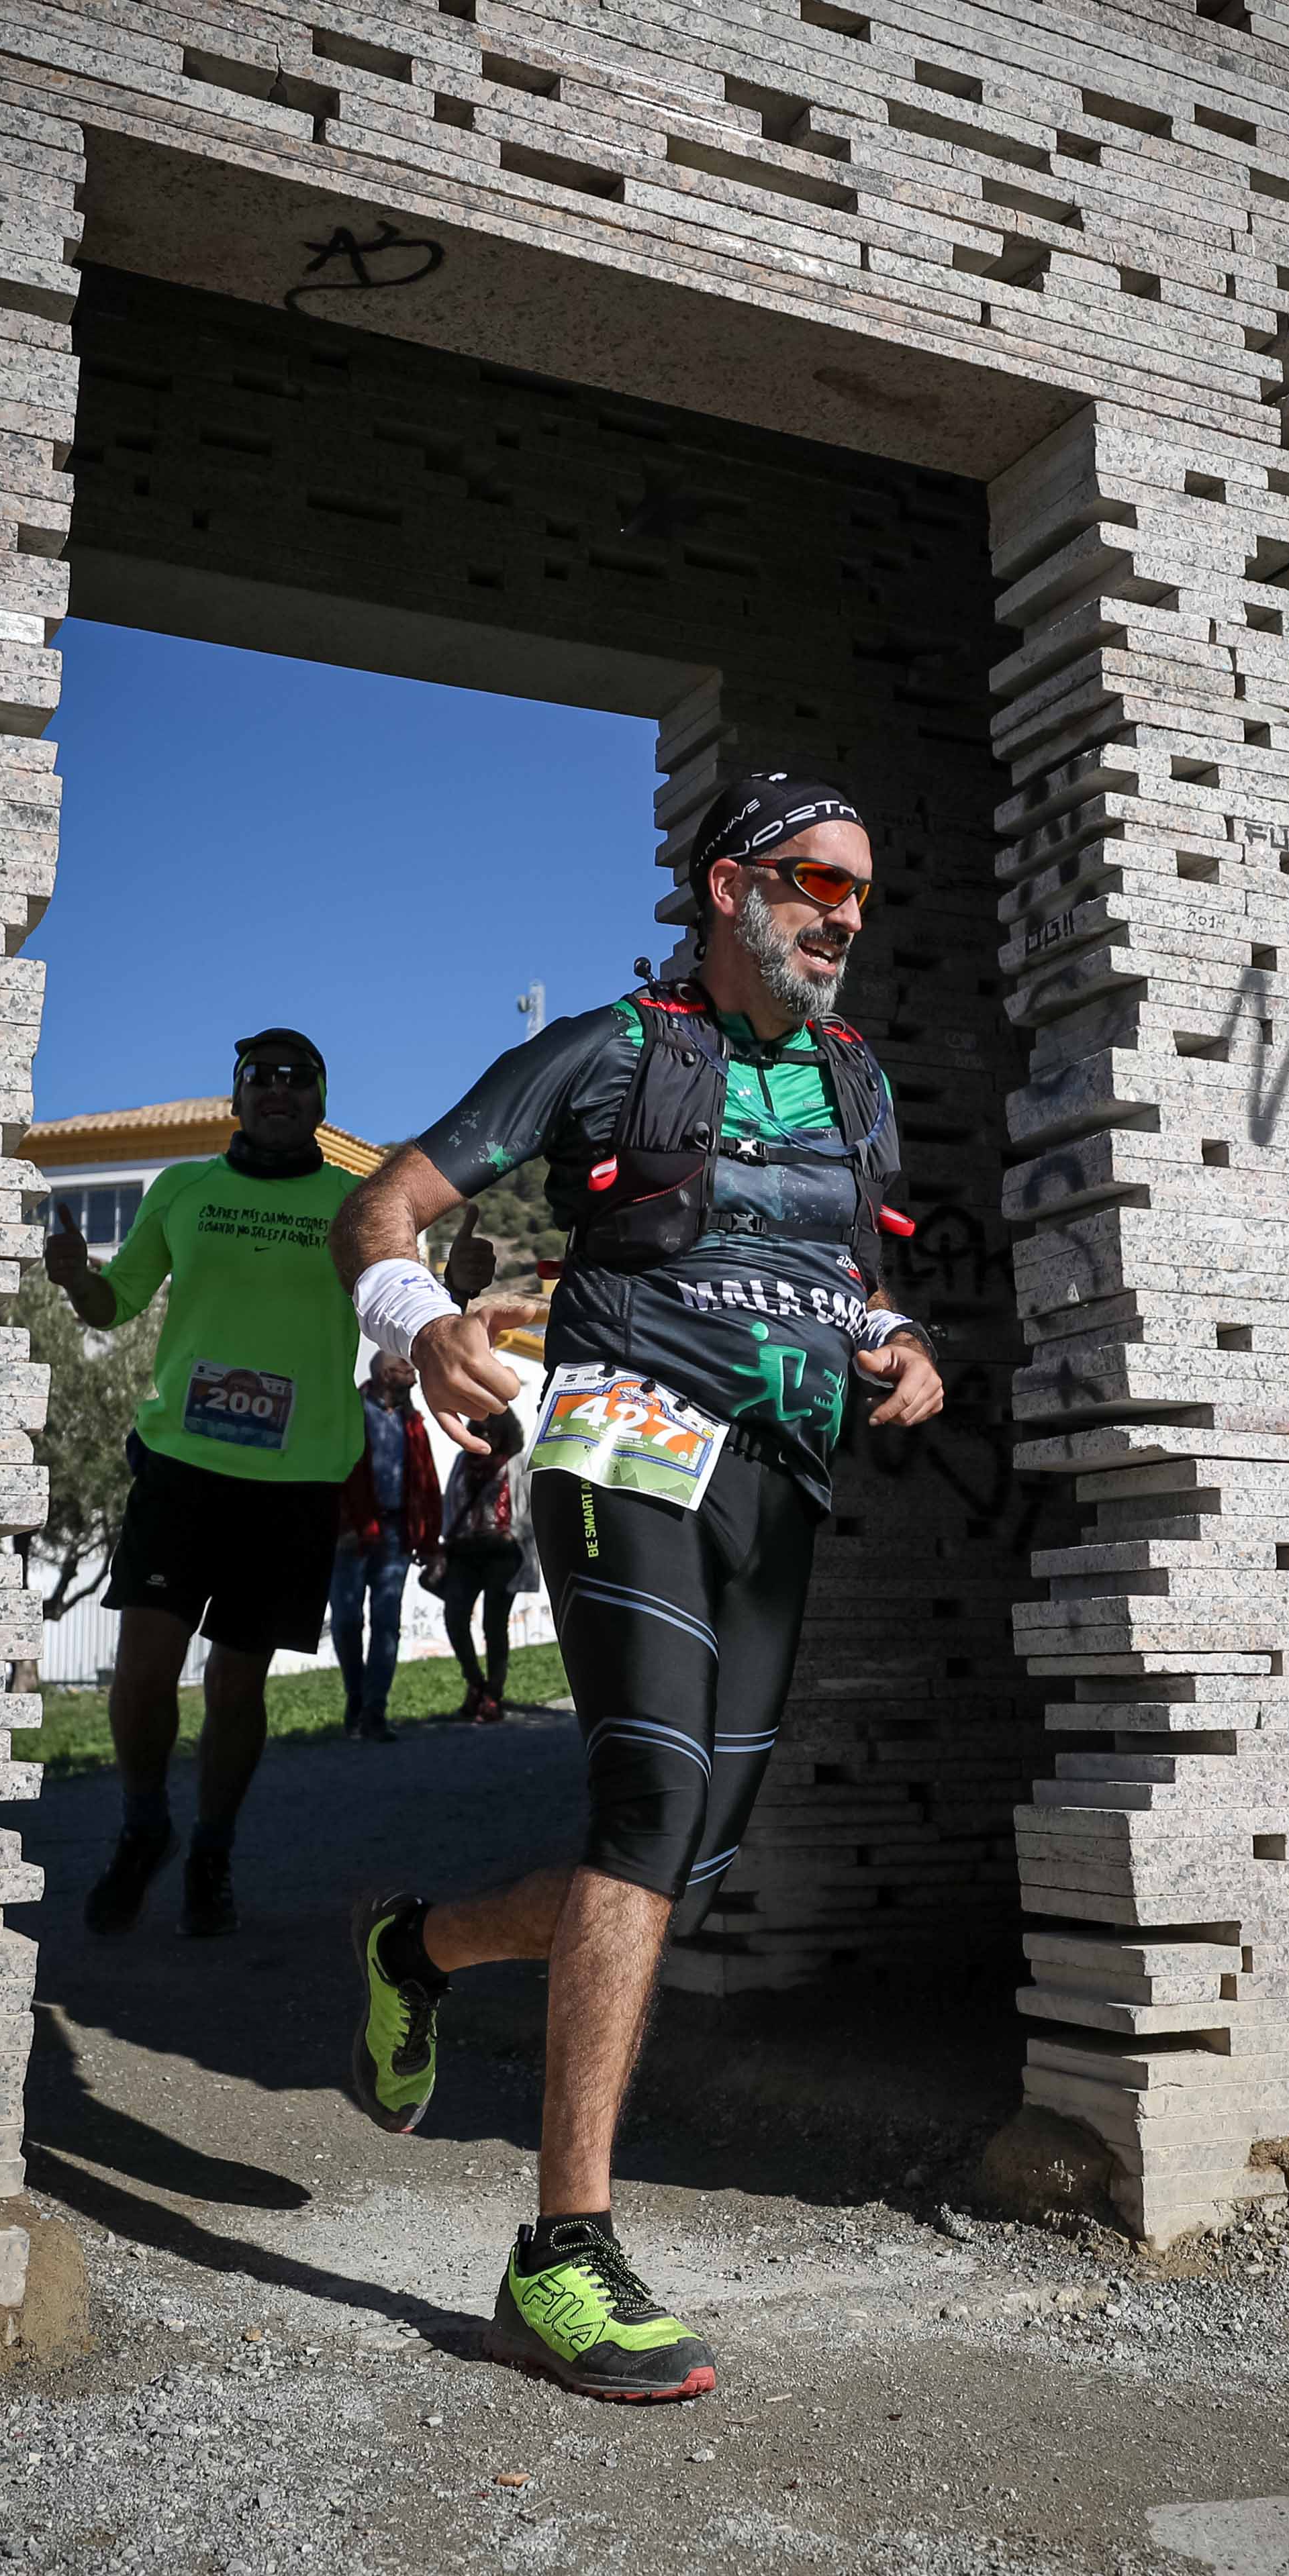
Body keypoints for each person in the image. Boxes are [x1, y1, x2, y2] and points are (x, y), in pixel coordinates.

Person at [332, 769, 943, 2403]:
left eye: (861, 891)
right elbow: (380, 1201)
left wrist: (893, 1348)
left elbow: (843, 1273)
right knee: (643, 1796)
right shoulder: (606, 1052)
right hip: (621, 1442)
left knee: (685, 1859)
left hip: (777, 1475)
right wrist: (418, 1321)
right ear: (730, 888)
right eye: (816, 878)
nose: (841, 914)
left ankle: (419, 1951)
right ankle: (561, 2255)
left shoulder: (854, 1085)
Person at [45, 1028, 363, 1940]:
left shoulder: (354, 1204)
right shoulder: (182, 1188)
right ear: (235, 1098)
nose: (279, 1090)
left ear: (319, 1102)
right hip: (181, 1465)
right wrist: (77, 1282)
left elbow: (397, 1298)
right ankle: (144, 1823)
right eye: (260, 1078)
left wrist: (453, 1287)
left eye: (298, 1078)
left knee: (235, 1684)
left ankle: (213, 1852)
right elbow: (118, 1302)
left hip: (293, 1479)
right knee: (143, 1672)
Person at [333, 1350, 440, 1743]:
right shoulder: (349, 1411)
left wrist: (430, 1543)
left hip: (396, 1534)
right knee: (346, 1621)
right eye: (405, 1365)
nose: (413, 1371)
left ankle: (374, 1711)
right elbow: (333, 1470)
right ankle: (356, 1697)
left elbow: (428, 1483)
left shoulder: (413, 1422)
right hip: (349, 1534)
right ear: (382, 1371)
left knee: (387, 1624)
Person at [436, 1405, 534, 1723]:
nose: (487, 1434)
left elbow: (535, 1508)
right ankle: (475, 1683)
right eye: (480, 1430)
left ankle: (493, 1694)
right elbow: (451, 1499)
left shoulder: (519, 1463)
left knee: (494, 1624)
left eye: (493, 1429)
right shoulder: (463, 1461)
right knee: (454, 1616)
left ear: (508, 1430)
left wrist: (514, 1534)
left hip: (503, 1552)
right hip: (465, 1550)